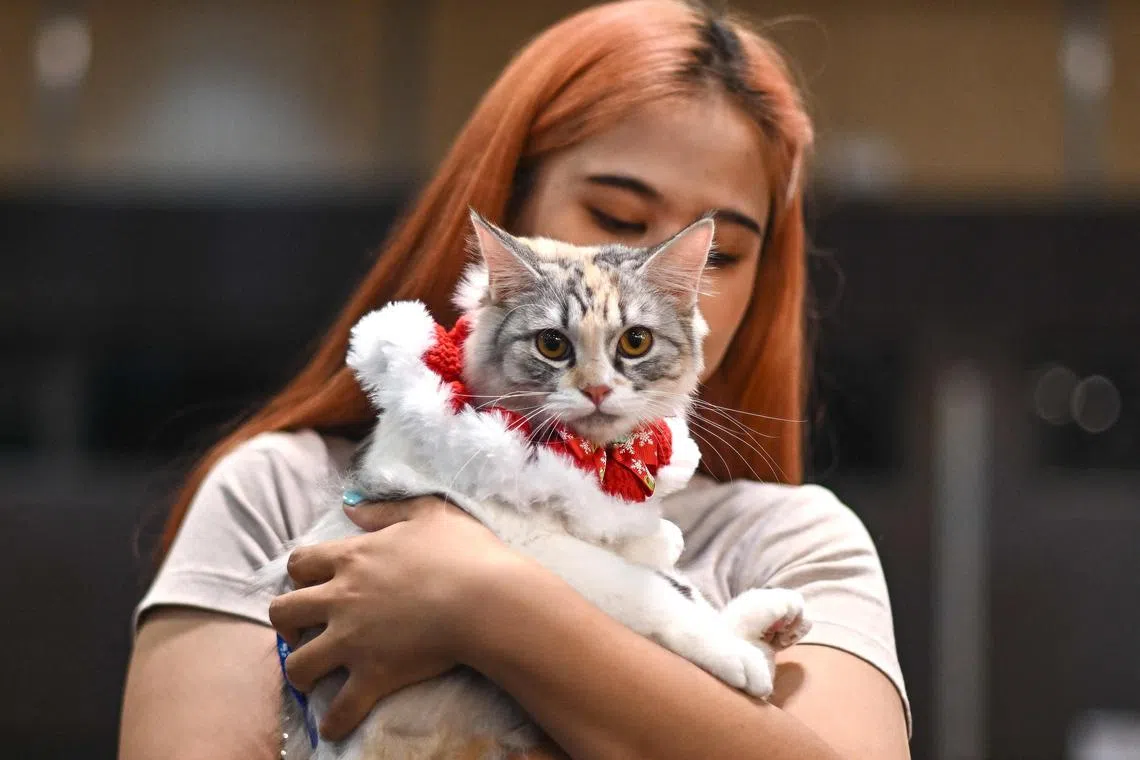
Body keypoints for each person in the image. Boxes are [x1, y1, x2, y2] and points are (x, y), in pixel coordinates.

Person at [119, 2, 911, 758]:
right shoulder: (278, 490)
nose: (653, 277)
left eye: (723, 254)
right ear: (508, 207)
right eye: (616, 218)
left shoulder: (790, 542)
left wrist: (485, 600)